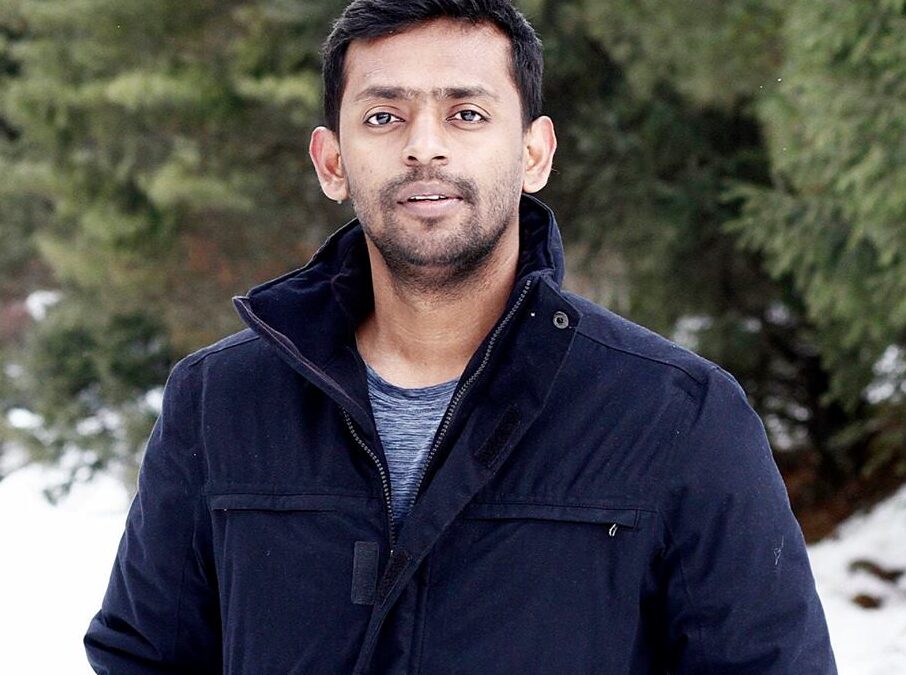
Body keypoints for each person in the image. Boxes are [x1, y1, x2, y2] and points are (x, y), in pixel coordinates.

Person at [85, 1, 837, 673]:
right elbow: (143, 657)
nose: (424, 146)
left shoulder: (678, 413)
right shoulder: (219, 400)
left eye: (467, 113)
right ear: (332, 162)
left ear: (534, 153)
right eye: (384, 116)